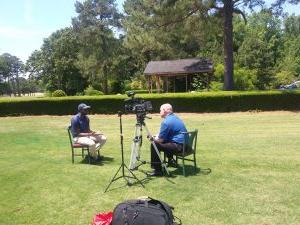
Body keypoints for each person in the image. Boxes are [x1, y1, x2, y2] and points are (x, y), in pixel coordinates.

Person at [149, 103, 188, 176]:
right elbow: (167, 135)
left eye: (160, 110)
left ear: (164, 110)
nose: (159, 112)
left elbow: (160, 140)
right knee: (165, 142)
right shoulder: (175, 117)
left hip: (179, 147)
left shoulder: (166, 122)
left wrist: (152, 139)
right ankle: (171, 161)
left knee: (154, 145)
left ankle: (158, 170)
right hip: (185, 145)